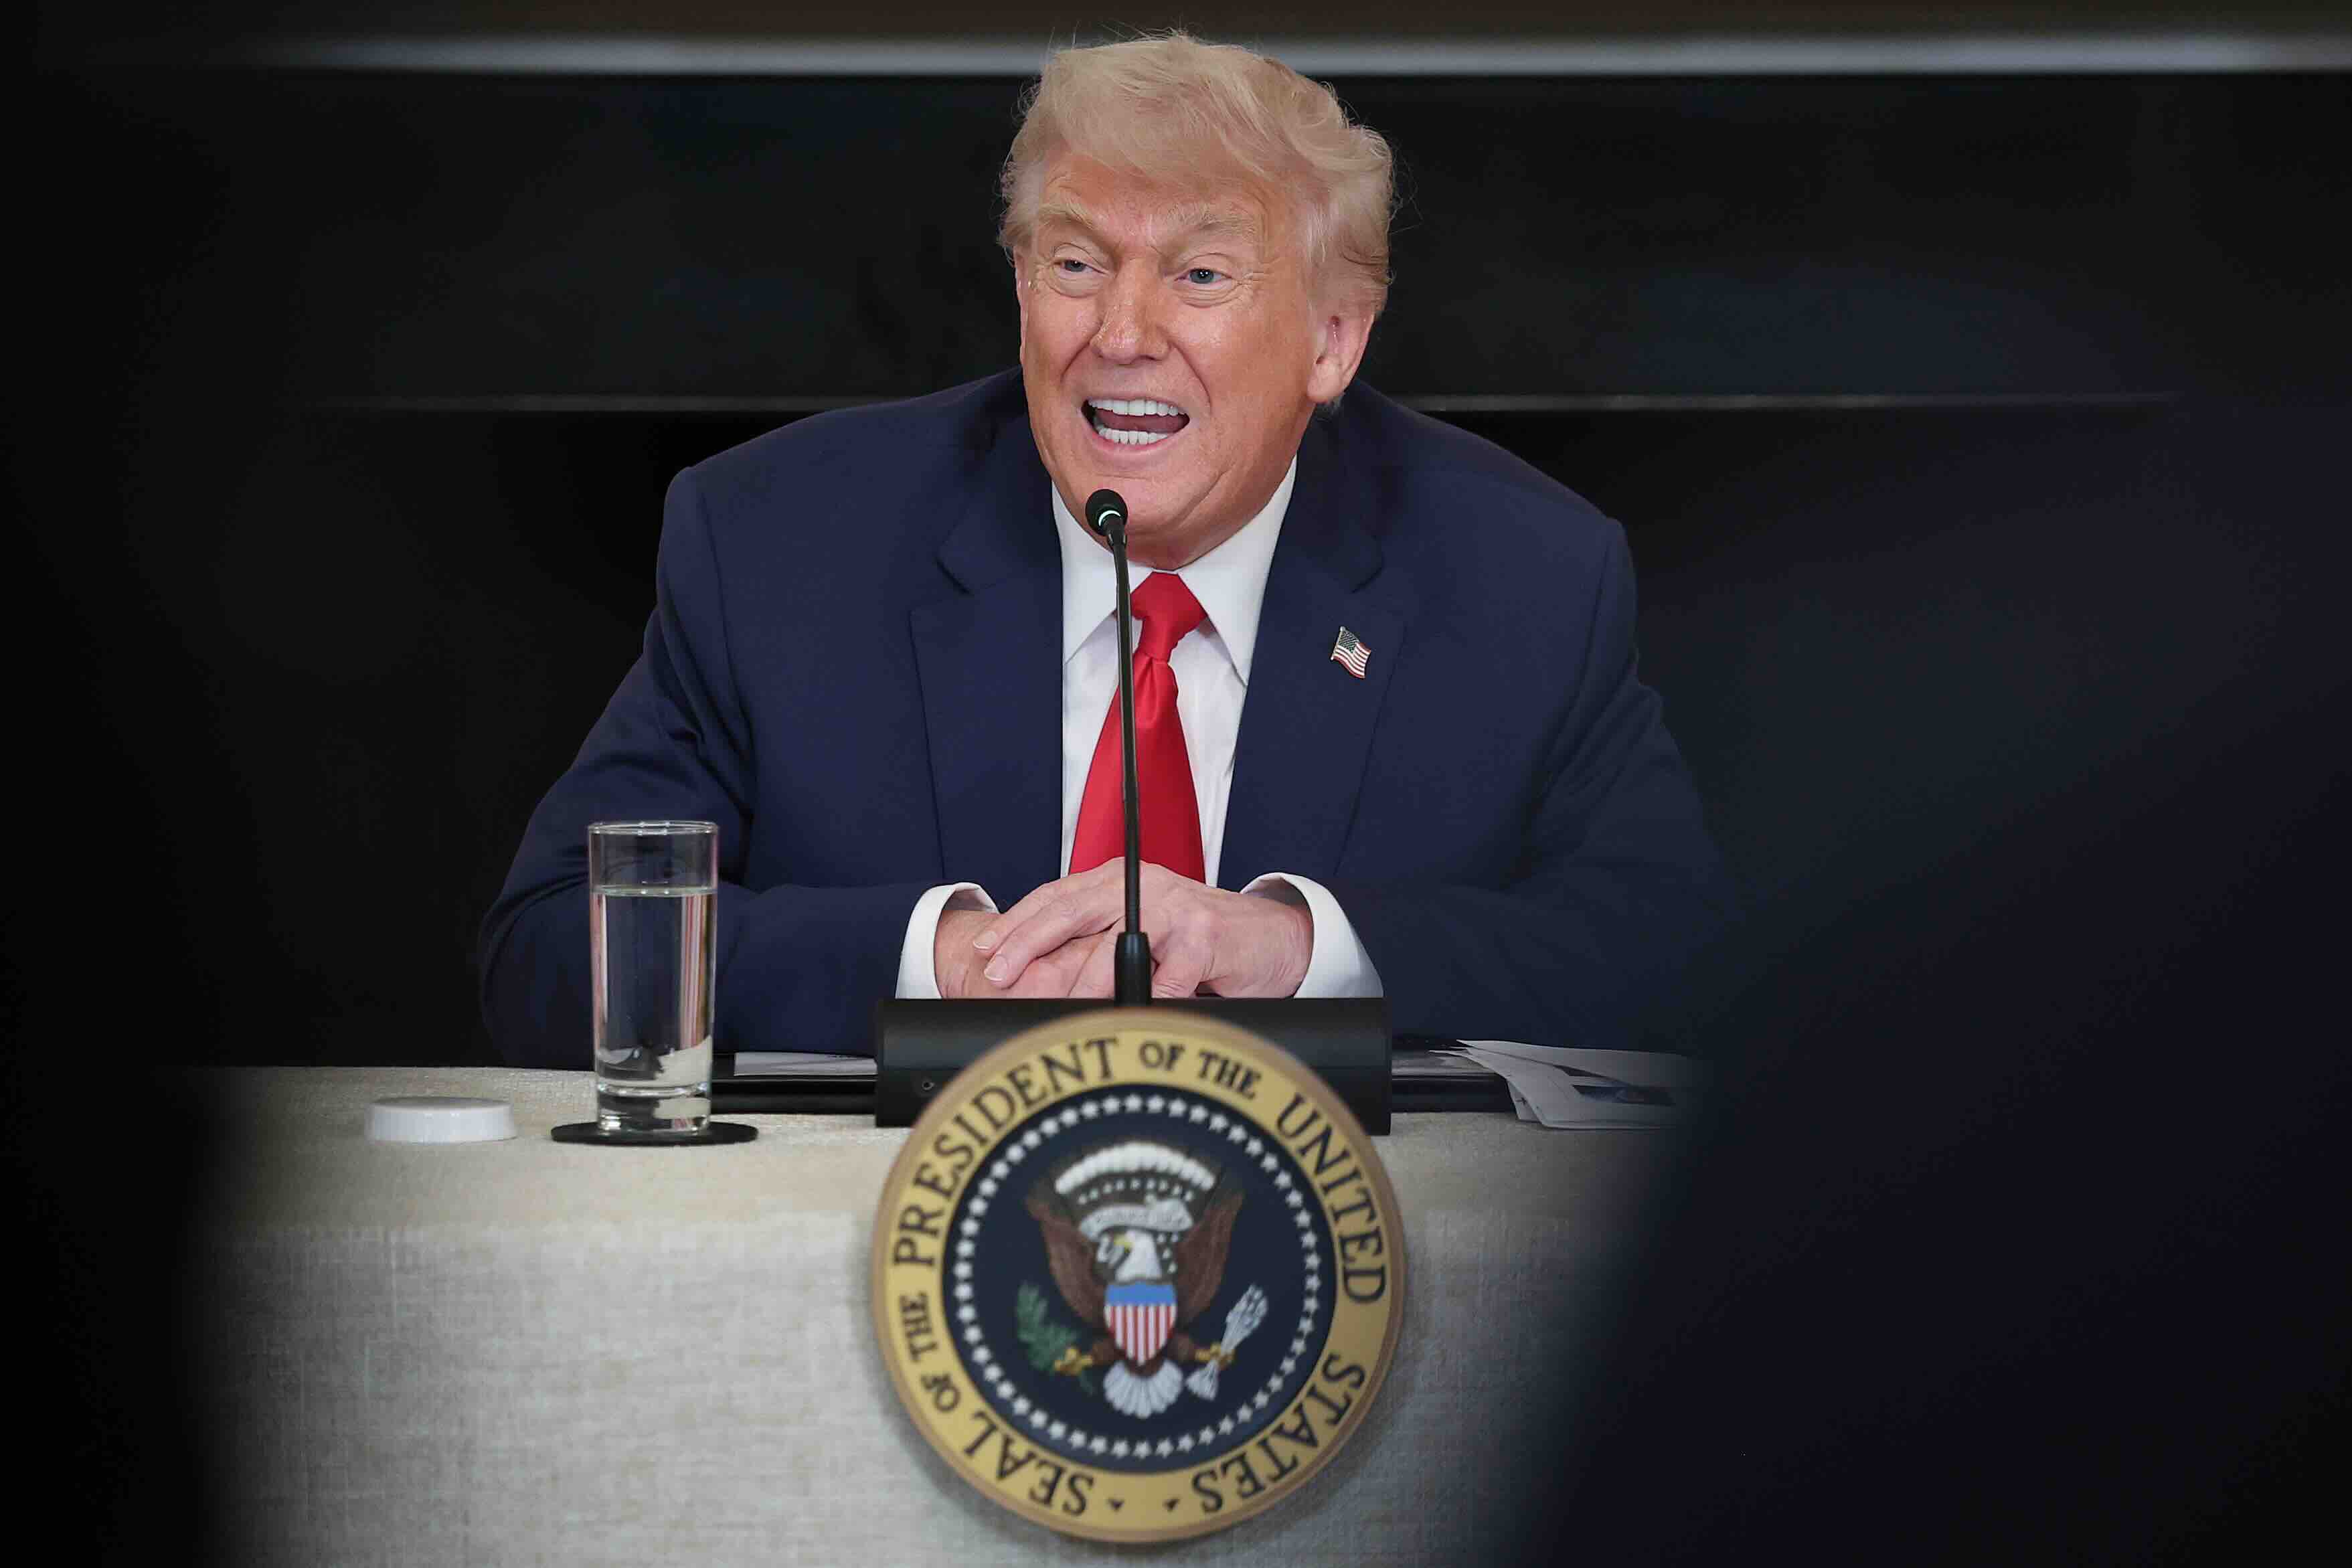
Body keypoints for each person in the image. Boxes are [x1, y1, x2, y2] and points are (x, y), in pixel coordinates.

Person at [480, 33, 1730, 1064]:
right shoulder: (778, 545)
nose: (1121, 333)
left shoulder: (1521, 576)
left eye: (1198, 275)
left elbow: (1675, 960)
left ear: (1333, 341)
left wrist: (1300, 954)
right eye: (1075, 263)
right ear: (1021, 288)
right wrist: (944, 963)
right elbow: (551, 947)